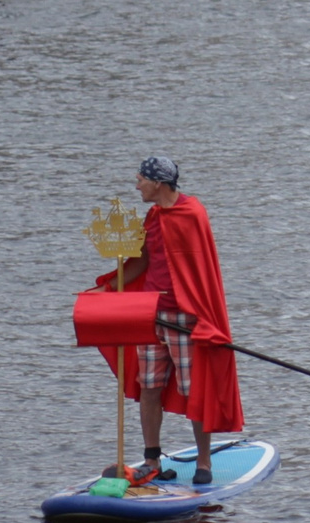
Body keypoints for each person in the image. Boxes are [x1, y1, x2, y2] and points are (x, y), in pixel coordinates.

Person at [97, 156, 242, 487]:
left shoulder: (192, 214)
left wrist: (205, 320)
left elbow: (202, 273)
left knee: (196, 390)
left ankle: (204, 462)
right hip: (151, 315)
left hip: (187, 321)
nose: (137, 186)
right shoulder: (152, 216)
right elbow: (143, 263)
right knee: (149, 386)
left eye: (140, 180)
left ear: (158, 183)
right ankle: (152, 461)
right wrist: (106, 286)